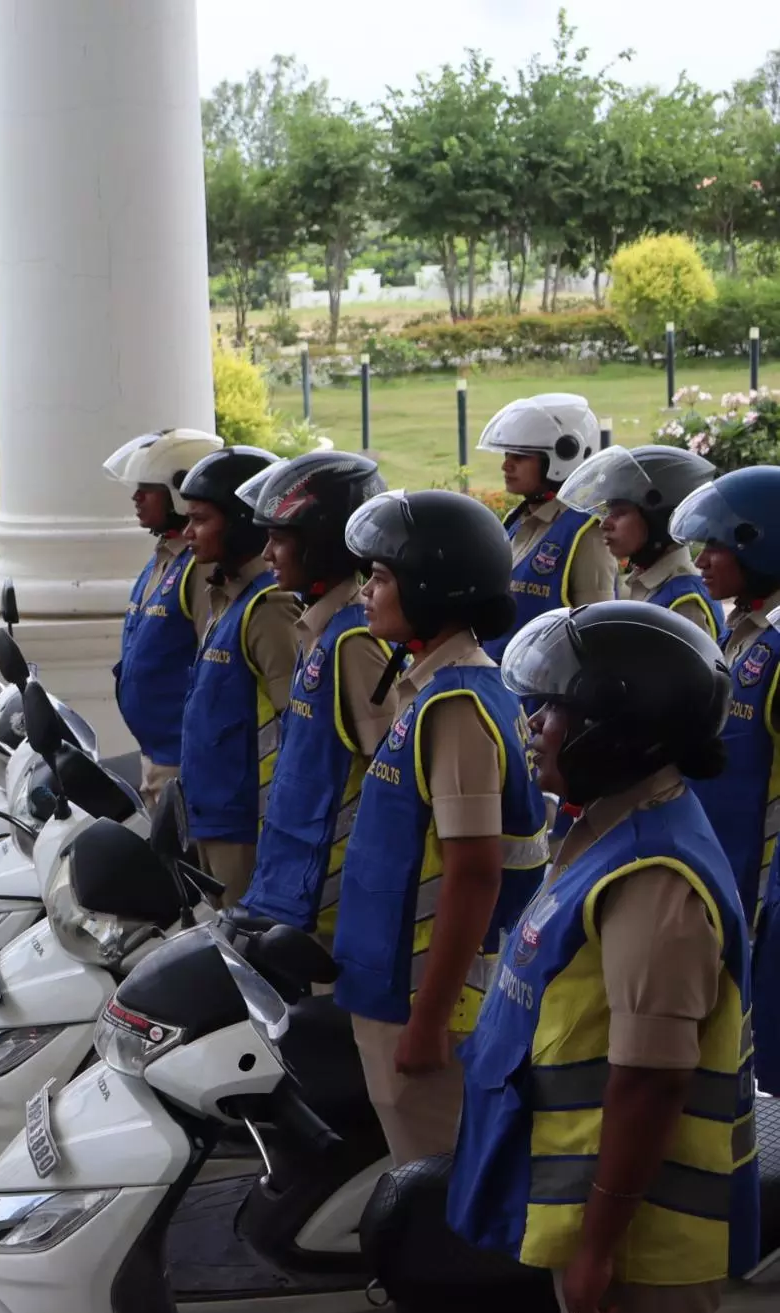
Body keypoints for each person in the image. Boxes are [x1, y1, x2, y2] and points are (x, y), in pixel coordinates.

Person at [448, 600, 757, 1313]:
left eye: (551, 714)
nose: (532, 731)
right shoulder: (606, 827)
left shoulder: (653, 883)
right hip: (603, 1203)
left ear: (618, 731)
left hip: (644, 1227)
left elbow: (648, 1079)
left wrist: (597, 1244)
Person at [332, 489, 550, 1165]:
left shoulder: (454, 706)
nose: (364, 592)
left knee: (435, 1185)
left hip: (429, 999)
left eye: (380, 578)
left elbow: (475, 872)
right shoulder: (434, 689)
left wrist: (427, 1023)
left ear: (431, 587)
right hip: (393, 983)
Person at [238, 452, 396, 940]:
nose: (266, 555)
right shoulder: (319, 629)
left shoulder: (355, 643)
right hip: (293, 880)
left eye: (280, 540)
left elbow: (389, 775)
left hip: (330, 892)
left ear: (322, 546)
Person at [671, 465, 780, 1089]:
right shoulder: (744, 628)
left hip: (763, 899)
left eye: (719, 546)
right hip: (726, 881)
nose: (703, 560)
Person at [174, 445, 294, 907]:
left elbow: (296, 724)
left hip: (245, 823)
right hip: (210, 812)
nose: (187, 532)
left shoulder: (269, 608)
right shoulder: (225, 596)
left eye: (201, 519)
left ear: (243, 521)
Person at [103, 428, 222, 808]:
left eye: (146, 487)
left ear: (179, 492)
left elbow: (213, 662)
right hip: (157, 755)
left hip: (183, 761)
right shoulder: (165, 557)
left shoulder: (200, 568)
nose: (136, 497)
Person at [477, 392, 613, 663]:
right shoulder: (517, 520)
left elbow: (600, 632)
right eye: (507, 453)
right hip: (505, 686)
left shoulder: (585, 533)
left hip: (546, 695)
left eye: (520, 456)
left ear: (564, 457)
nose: (506, 464)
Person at [566, 445, 721, 642]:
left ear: (660, 519)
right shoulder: (651, 584)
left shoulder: (683, 602)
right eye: (607, 512)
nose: (604, 523)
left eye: (620, 513)